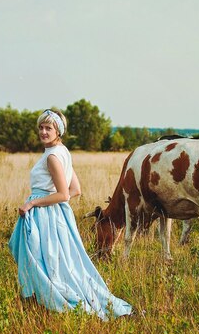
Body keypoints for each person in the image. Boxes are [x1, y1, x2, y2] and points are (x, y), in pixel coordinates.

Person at [8, 109, 132, 320]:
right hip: (56, 214)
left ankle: (49, 299)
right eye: (41, 127)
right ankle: (40, 298)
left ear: (58, 131)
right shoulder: (62, 152)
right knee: (58, 259)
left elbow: (64, 193)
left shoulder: (53, 157)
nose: (43, 132)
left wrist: (33, 203)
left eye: (49, 128)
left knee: (42, 258)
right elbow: (76, 189)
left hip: (45, 215)